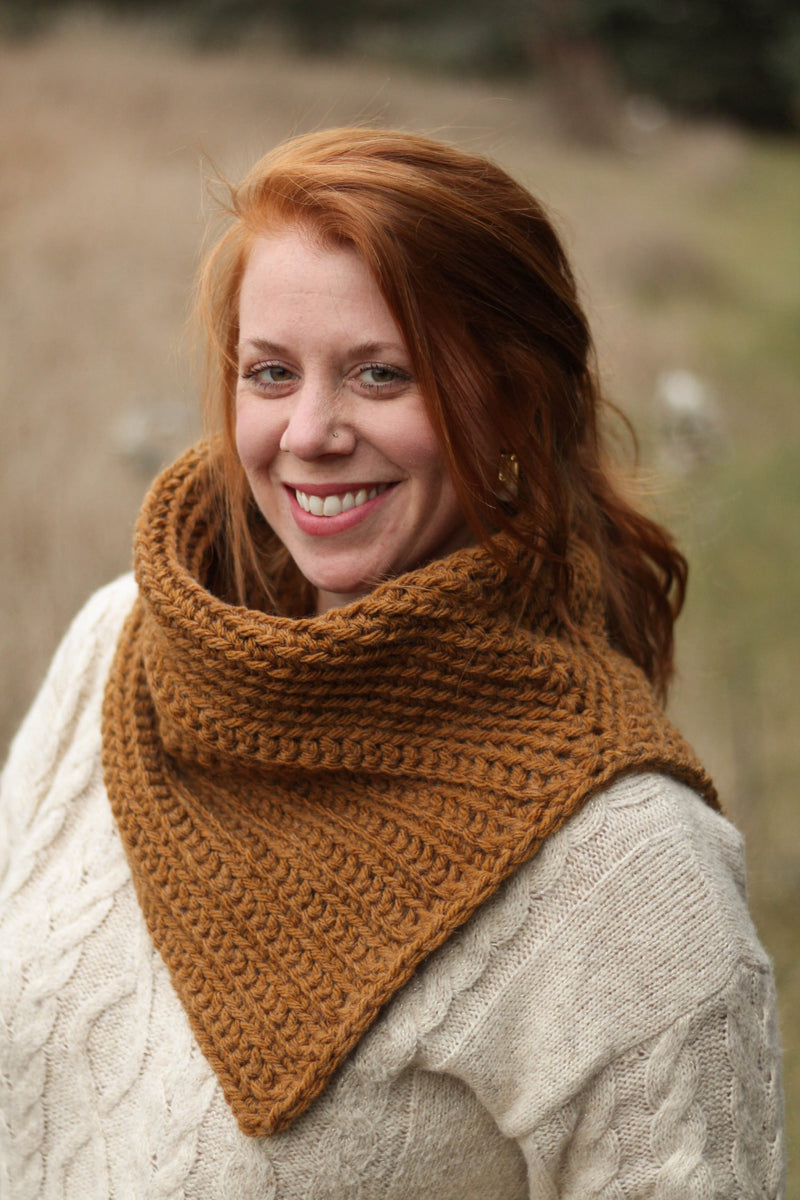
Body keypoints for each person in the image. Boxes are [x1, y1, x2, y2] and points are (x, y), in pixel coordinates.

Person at [0, 128, 785, 1198]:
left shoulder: (624, 865)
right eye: (271, 373)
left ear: (512, 400)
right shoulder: (122, 647)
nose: (309, 432)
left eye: (381, 374)